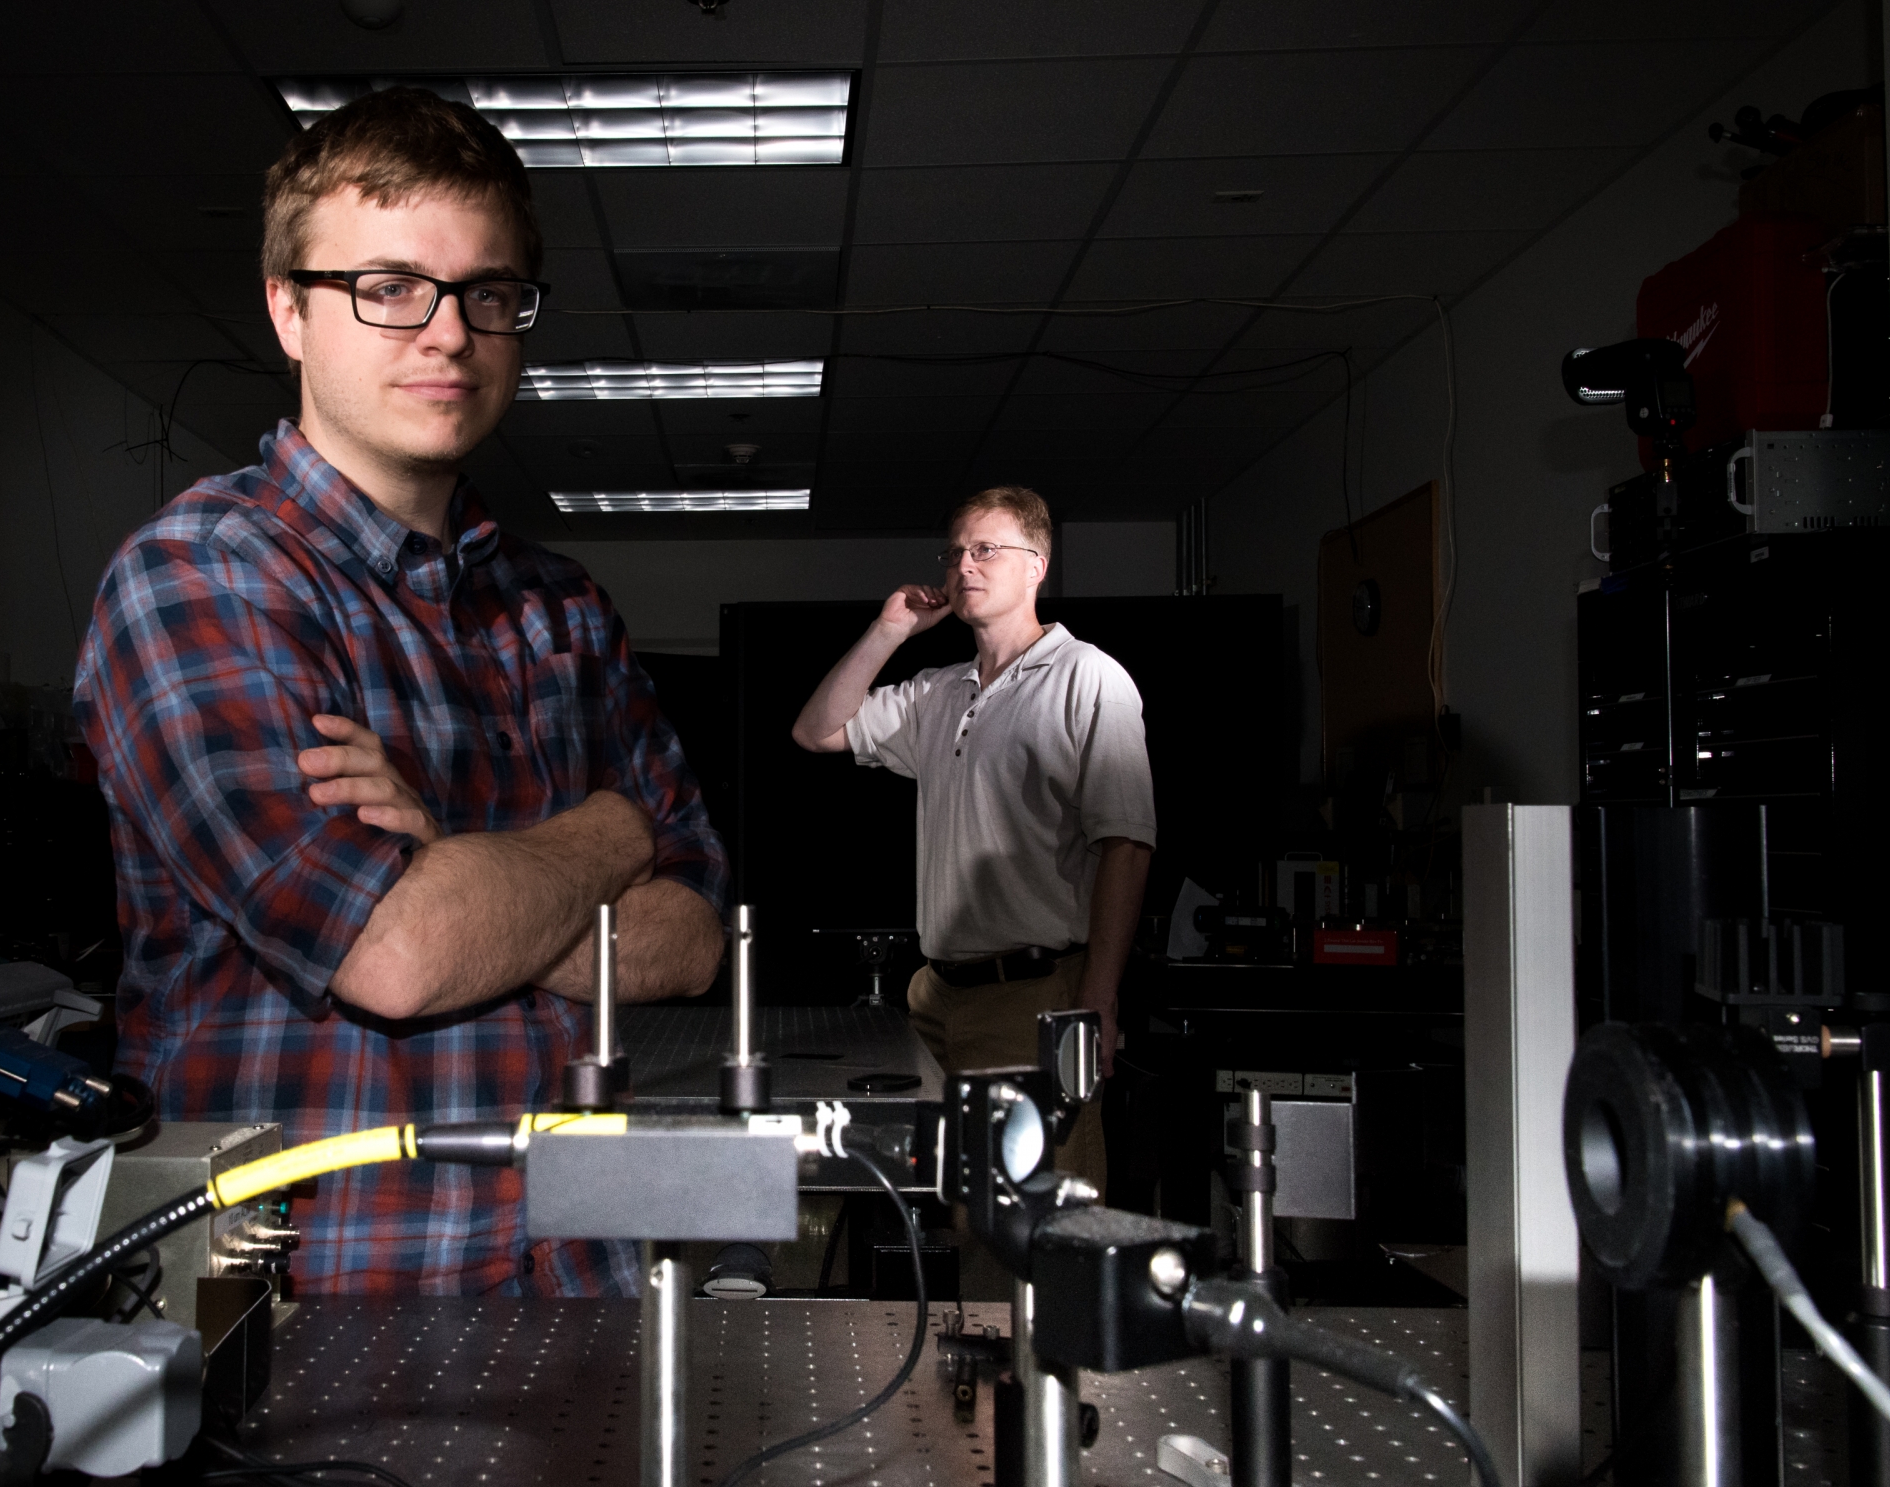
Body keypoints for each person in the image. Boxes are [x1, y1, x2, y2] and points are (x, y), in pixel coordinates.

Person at [74, 88, 725, 1297]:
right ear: (288, 310)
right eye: (387, 288)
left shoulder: (560, 608)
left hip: (581, 1293)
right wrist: (610, 828)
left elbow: (689, 941)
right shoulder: (200, 578)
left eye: (488, 293)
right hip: (311, 1329)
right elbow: (397, 952)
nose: (446, 334)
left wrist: (459, 861)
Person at [790, 486, 1154, 1187]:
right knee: (952, 1205)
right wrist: (889, 630)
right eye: (955, 551)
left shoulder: (1088, 678)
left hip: (1033, 994)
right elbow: (817, 730)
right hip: (935, 997)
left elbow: (1127, 846)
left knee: (1030, 1218)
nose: (964, 565)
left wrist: (1101, 997)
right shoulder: (938, 692)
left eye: (986, 548)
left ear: (1037, 565)